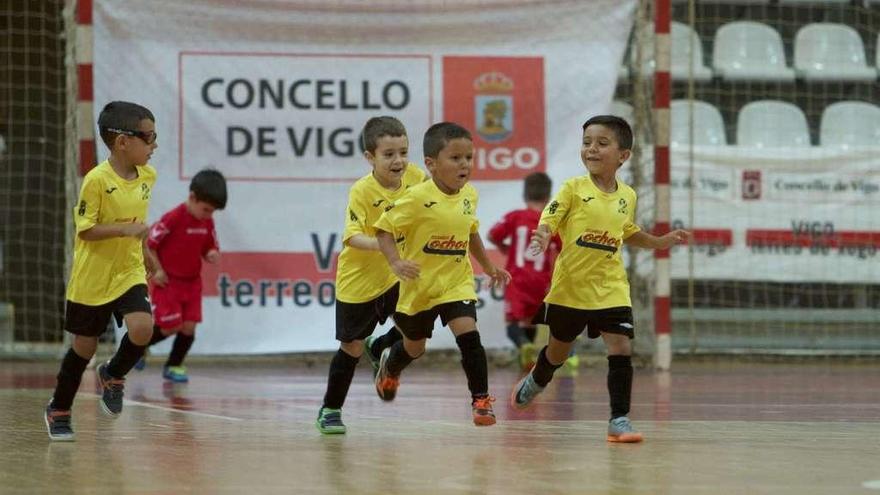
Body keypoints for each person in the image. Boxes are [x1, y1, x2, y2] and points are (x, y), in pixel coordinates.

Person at [509, 115, 690, 443]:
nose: (591, 149)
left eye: (602, 143)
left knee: (620, 347)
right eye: (587, 142)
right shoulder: (572, 189)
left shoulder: (628, 196)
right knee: (558, 353)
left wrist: (659, 242)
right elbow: (549, 218)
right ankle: (538, 377)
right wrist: (543, 235)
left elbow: (627, 231)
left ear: (623, 155)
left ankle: (619, 419)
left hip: (611, 287)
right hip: (571, 288)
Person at [373, 122, 511, 427]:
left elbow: (470, 231)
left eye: (469, 158)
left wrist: (488, 266)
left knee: (469, 336)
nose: (465, 165)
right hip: (418, 287)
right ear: (431, 164)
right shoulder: (417, 197)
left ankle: (481, 400)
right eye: (456, 158)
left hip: (455, 283)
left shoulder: (469, 195)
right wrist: (395, 262)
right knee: (415, 347)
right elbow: (383, 230)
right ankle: (390, 367)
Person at [44, 101, 159, 441]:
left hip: (128, 270)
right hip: (93, 276)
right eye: (149, 137)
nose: (154, 145)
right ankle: (59, 409)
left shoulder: (147, 177)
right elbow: (85, 229)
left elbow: (136, 224)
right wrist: (125, 231)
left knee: (142, 328)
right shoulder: (96, 180)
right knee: (84, 347)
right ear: (123, 141)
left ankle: (113, 373)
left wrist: (145, 250)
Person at [315, 116, 425, 434]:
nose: (399, 160)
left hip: (397, 275)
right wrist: (387, 244)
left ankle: (381, 349)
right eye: (389, 154)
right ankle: (331, 409)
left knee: (416, 338)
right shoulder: (362, 192)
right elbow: (352, 238)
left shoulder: (417, 178)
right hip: (359, 281)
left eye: (403, 152)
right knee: (351, 347)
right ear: (370, 157)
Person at [135, 168, 227, 383]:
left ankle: (174, 364)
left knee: (189, 327)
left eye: (212, 212)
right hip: (168, 282)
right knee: (170, 326)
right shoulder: (173, 218)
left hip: (192, 283)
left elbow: (209, 244)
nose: (208, 215)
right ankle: (137, 348)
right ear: (192, 197)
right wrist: (157, 270)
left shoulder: (207, 221)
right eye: (205, 209)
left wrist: (211, 253)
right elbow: (150, 244)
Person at [487, 172, 563, 372]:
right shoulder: (551, 223)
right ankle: (527, 362)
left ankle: (524, 346)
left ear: (525, 195)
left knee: (513, 322)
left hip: (517, 279)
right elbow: (563, 247)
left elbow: (491, 234)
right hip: (541, 282)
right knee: (530, 321)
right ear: (548, 197)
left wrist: (503, 246)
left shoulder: (515, 217)